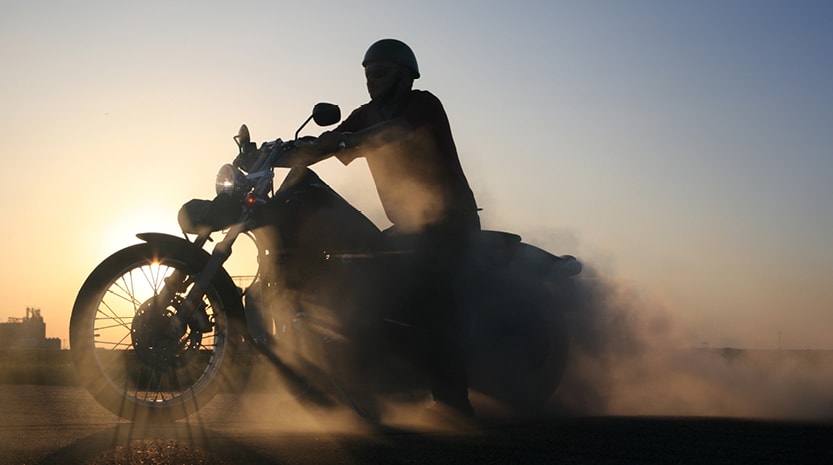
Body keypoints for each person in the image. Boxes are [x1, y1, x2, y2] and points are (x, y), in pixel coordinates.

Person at [281, 38, 480, 419]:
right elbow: (330, 144)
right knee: (360, 279)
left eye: (381, 73)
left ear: (405, 76)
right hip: (408, 227)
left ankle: (453, 401)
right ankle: (351, 382)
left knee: (430, 292)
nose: (372, 81)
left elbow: (396, 131)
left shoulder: (423, 104)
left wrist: (349, 140)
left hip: (449, 223)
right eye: (368, 74)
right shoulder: (366, 114)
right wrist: (281, 153)